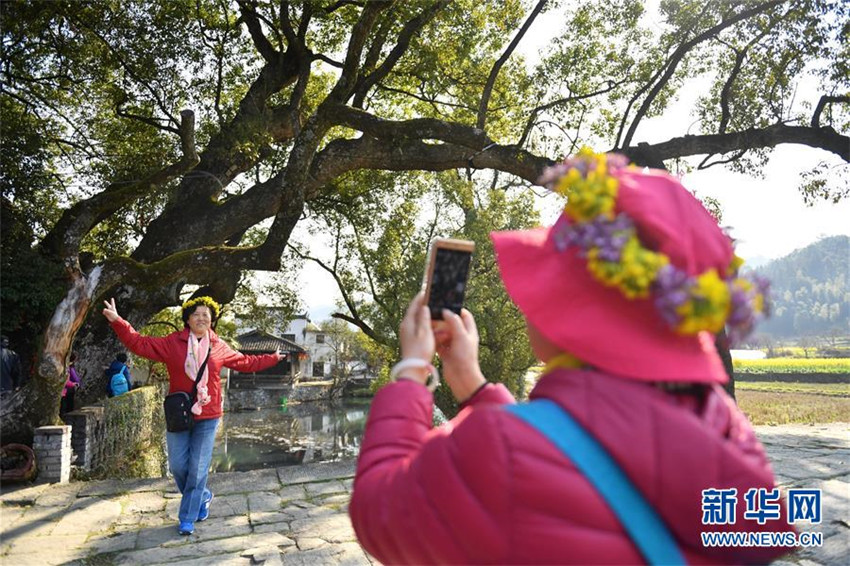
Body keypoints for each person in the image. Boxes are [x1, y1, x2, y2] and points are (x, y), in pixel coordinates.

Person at [349, 149, 795, 564]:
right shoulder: (727, 429)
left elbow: (378, 513)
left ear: (572, 306)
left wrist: (411, 373)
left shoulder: (504, 454)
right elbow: (573, 451)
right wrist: (472, 383)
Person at [102, 295, 284, 536]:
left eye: (206, 315)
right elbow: (139, 343)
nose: (201, 318)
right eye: (196, 314)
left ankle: (187, 518)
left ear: (211, 320)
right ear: (187, 319)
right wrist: (118, 321)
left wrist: (271, 358)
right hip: (179, 413)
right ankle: (204, 495)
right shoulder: (172, 343)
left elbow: (245, 362)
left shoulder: (219, 346)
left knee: (198, 469)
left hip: (209, 415)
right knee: (178, 466)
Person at [60, 352, 81, 416]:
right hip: (65, 391)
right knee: (66, 408)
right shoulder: (67, 368)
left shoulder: (67, 367)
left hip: (66, 390)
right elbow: (67, 380)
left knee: (65, 407)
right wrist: (74, 384)